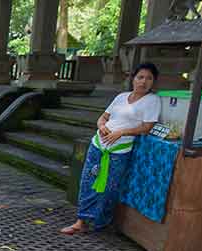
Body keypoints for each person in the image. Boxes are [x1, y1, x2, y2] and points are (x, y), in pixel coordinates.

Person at [61, 64, 161, 235]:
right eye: (140, 77)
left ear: (153, 82)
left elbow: (147, 127)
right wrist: (101, 126)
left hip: (119, 151)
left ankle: (101, 222)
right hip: (98, 145)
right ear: (133, 78)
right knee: (88, 182)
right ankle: (81, 221)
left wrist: (122, 132)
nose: (143, 82)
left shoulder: (152, 101)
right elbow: (104, 117)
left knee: (109, 188)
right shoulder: (121, 97)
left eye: (149, 78)